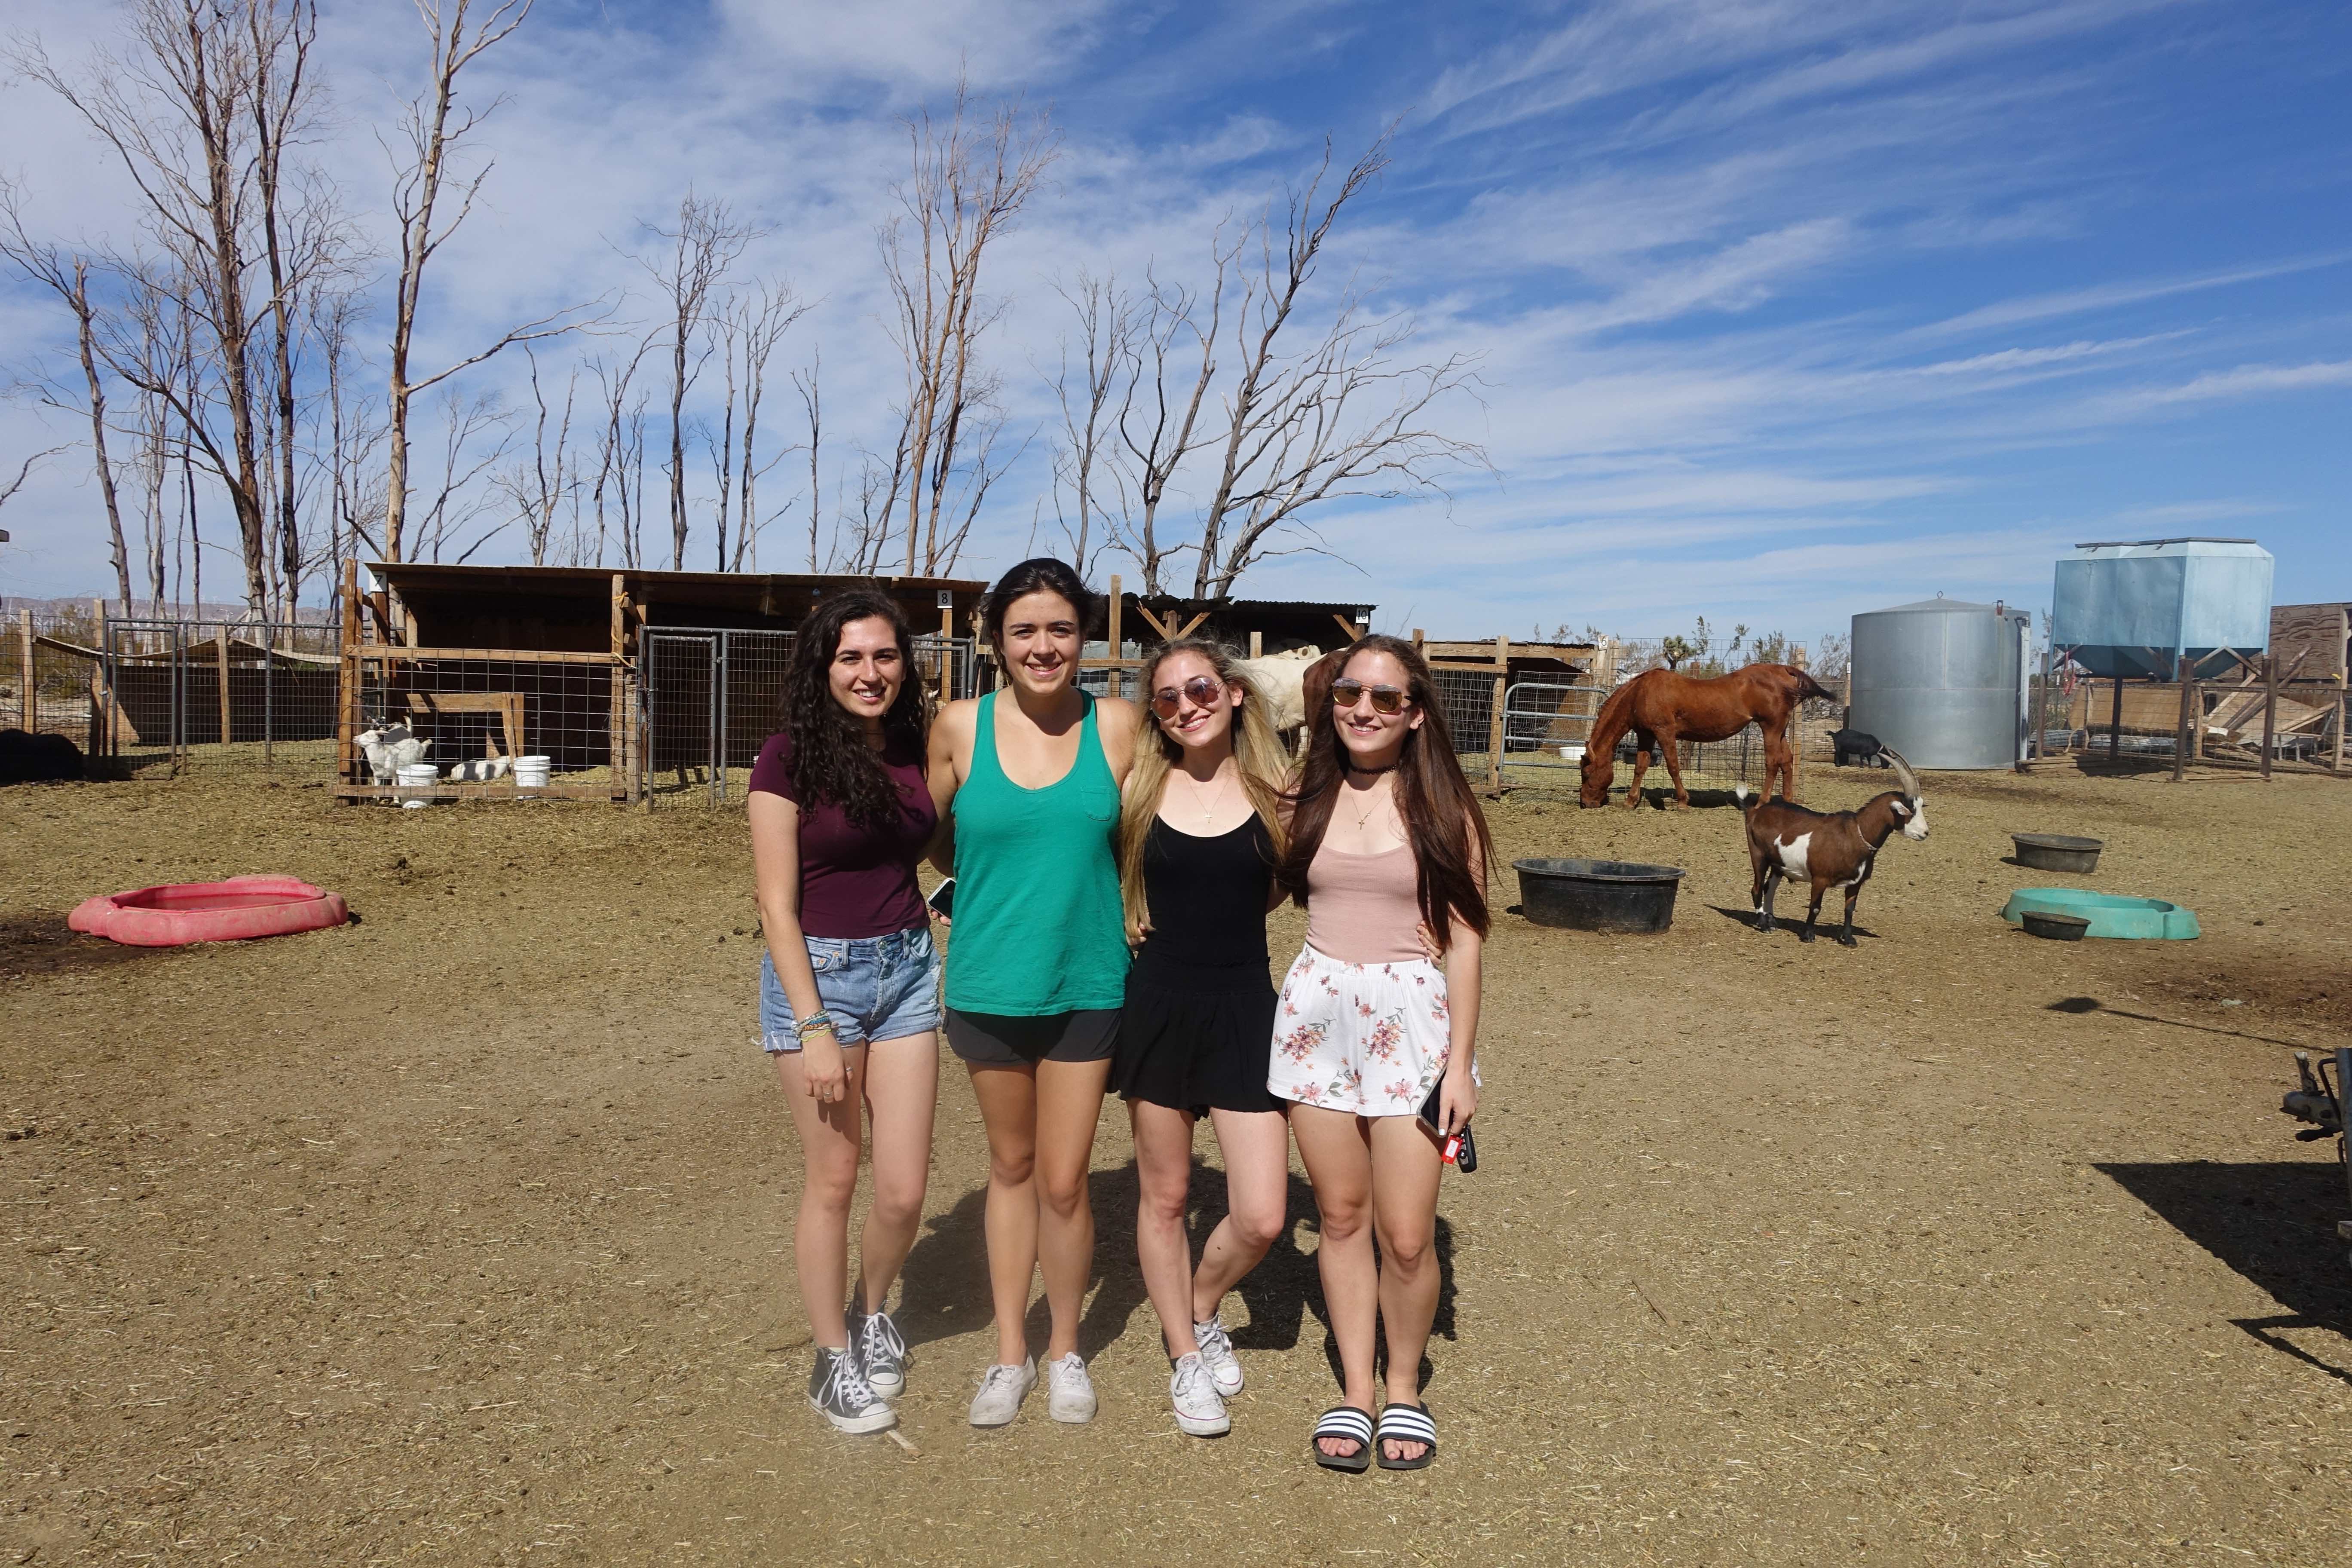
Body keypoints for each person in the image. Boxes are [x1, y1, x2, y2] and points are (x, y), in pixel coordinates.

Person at [925, 558, 1140, 1428]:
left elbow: (1157, 831)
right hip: (988, 983)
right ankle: (1009, 1354)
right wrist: (962, 893)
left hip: (1088, 981)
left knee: (1063, 1178)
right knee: (1010, 1167)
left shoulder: (1121, 726)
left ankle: (1065, 1351)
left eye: (1059, 629)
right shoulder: (958, 728)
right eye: (1024, 630)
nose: (1043, 646)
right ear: (995, 642)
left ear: (1082, 637)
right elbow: (922, 833)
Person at [1269, 634, 1491, 1473]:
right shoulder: (1305, 796)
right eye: (1349, 693)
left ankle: (1406, 1386)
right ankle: (1358, 1390)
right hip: (1316, 1020)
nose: (1364, 709)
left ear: (1415, 714)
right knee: (1340, 1217)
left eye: (1386, 698)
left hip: (1412, 1026)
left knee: (1405, 1236)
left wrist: (1460, 1066)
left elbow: (1465, 944)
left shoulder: (1444, 809)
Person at [747, 589, 941, 1435]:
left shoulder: (914, 749)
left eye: (886, 655)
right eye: (851, 657)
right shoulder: (786, 760)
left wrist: (953, 898)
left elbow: (941, 844)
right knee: (833, 1180)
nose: (871, 673)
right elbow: (774, 905)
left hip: (907, 973)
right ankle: (832, 1362)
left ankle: (872, 1316)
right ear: (823, 667)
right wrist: (814, 1026)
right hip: (819, 980)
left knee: (902, 1191)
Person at [1113, 638, 1293, 1437]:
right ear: (1156, 714)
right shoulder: (1135, 792)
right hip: (1156, 1002)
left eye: (1200, 689)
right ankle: (1187, 1356)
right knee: (1168, 1198)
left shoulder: (1279, 791)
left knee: (1260, 1215)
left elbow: (1288, 889)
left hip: (1246, 1005)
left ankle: (1197, 1306)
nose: (1187, 705)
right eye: (1167, 698)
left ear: (1235, 694)